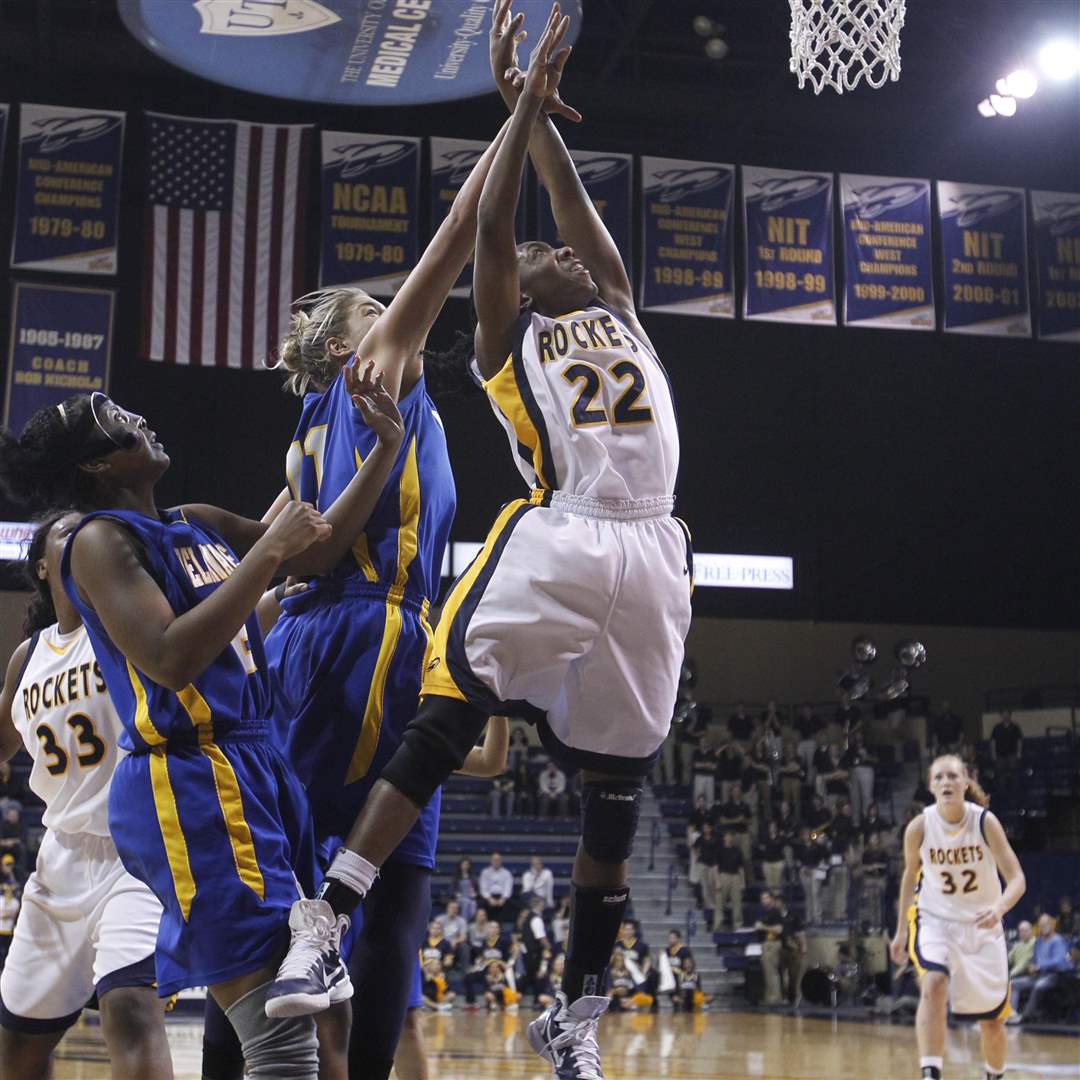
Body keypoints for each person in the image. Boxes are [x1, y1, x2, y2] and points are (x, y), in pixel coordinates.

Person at [272, 8, 691, 1079]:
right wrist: (510, 117)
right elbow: (500, 232)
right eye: (548, 258)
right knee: (454, 695)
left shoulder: (623, 308)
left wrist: (536, 111)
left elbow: (568, 207)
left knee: (618, 789)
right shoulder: (510, 340)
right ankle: (326, 920)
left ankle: (578, 1015)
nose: (564, 256)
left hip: (657, 551)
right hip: (566, 531)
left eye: (573, 256)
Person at [0, 384, 400, 1078]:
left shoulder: (194, 521)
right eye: (120, 422)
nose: (141, 417)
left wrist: (385, 451)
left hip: (256, 761)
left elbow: (317, 550)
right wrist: (267, 556)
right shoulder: (98, 540)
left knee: (315, 1002)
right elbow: (169, 658)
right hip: (189, 775)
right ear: (97, 466)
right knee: (275, 1024)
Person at [260, 115, 518, 1077]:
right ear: (343, 347)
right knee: (356, 899)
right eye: (378, 309)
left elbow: (272, 552)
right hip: (365, 631)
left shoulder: (311, 435)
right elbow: (457, 233)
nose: (396, 315)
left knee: (378, 895)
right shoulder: (371, 375)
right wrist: (518, 118)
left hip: (364, 637)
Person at [0, 512, 172, 1080]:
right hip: (61, 858)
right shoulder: (28, 658)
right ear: (44, 564)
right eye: (66, 530)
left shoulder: (126, 622)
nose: (84, 535)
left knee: (129, 1009)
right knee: (18, 1049)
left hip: (137, 851)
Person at [889, 755, 1025, 1080]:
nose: (946, 782)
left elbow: (1017, 879)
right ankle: (930, 1073)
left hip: (982, 923)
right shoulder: (919, 827)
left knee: (992, 1023)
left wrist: (999, 908)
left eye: (953, 776)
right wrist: (900, 932)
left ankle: (995, 1074)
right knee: (933, 983)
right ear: (931, 786)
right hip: (935, 918)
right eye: (939, 777)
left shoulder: (984, 822)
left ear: (965, 782)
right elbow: (910, 877)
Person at [1007, 913, 1073, 1024]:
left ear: (1052, 925)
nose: (1044, 927)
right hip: (1039, 975)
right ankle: (1011, 1014)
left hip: (1055, 976)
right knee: (1013, 984)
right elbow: (1035, 959)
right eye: (1041, 925)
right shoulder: (1039, 941)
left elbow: (1059, 961)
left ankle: (1026, 1017)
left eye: (1046, 924)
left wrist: (1039, 967)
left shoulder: (1058, 940)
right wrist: (1031, 966)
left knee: (1039, 986)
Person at [479, 852, 515, 921]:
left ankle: (505, 928)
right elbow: (483, 889)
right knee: (482, 903)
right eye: (494, 860)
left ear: (501, 861)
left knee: (510, 904)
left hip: (502, 896)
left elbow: (508, 888)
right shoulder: (485, 872)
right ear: (491, 861)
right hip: (489, 897)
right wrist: (489, 899)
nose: (496, 862)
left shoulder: (507, 873)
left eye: (498, 860)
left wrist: (503, 899)